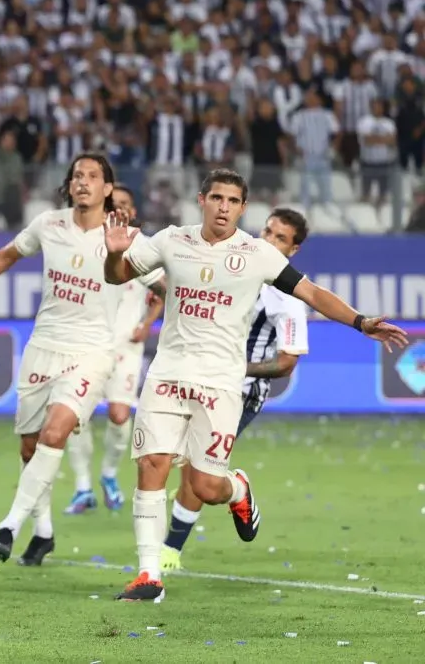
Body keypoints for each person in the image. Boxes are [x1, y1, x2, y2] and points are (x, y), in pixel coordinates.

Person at [103, 168, 408, 603]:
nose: (223, 207)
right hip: (167, 374)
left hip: (221, 382)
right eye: (217, 198)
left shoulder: (257, 254)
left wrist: (361, 322)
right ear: (202, 199)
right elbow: (117, 275)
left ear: (243, 208)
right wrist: (113, 254)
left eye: (233, 201)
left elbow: (312, 293)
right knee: (151, 463)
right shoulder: (172, 239)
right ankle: (149, 575)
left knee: (206, 486)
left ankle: (238, 489)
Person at [0, 153, 164, 567]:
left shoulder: (127, 237)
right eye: (77, 175)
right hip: (42, 347)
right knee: (31, 447)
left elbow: (165, 285)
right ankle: (44, 532)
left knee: (55, 432)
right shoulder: (49, 224)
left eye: (93, 176)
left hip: (92, 352)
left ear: (107, 188)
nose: (83, 181)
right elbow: (5, 256)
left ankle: (10, 524)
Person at [160, 207, 310, 573]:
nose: (269, 241)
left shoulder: (288, 299)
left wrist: (236, 367)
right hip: (197, 378)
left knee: (201, 476)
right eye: (268, 231)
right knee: (177, 464)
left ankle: (176, 545)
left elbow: (286, 362)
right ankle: (167, 549)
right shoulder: (232, 267)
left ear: (293, 250)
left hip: (240, 392)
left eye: (280, 238)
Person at [64, 183, 164, 515]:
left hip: (126, 348)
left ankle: (108, 474)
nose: (119, 208)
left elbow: (163, 290)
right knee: (76, 418)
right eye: (114, 203)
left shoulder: (145, 246)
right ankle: (82, 488)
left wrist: (147, 323)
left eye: (125, 203)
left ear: (132, 211)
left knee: (120, 415)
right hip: (88, 344)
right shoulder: (88, 243)